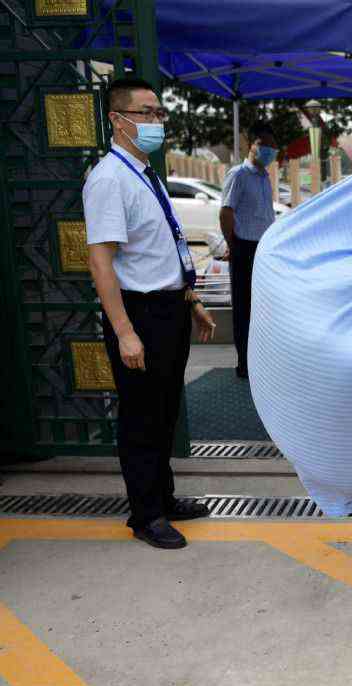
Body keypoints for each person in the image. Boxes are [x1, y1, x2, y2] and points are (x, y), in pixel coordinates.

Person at [83, 77, 216, 549]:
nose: (157, 121)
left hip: (169, 308)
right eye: (147, 113)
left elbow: (162, 250)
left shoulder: (144, 173)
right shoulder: (108, 179)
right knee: (142, 416)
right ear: (118, 120)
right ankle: (146, 515)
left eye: (160, 113)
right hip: (138, 313)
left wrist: (191, 301)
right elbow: (101, 262)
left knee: (164, 411)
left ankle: (163, 497)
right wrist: (125, 332)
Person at [221, 121, 278, 379]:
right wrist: (232, 244)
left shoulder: (265, 177)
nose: (269, 150)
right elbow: (226, 212)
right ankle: (244, 363)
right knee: (244, 308)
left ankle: (261, 359)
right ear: (251, 145)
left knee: (263, 306)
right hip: (244, 247)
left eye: (273, 146)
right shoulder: (239, 175)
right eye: (264, 144)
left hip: (263, 250)